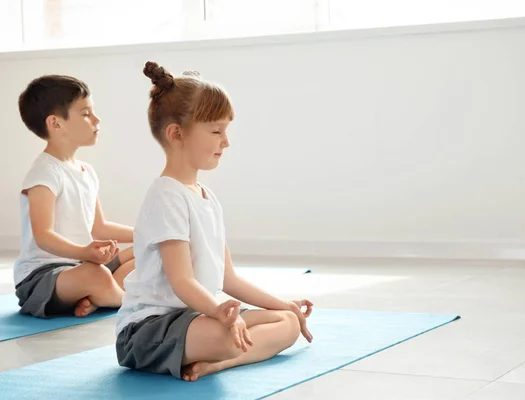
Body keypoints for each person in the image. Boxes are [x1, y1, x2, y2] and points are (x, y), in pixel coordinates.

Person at [115, 61, 313, 382]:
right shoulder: (166, 195)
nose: (226, 141)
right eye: (216, 131)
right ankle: (222, 353)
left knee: (286, 323)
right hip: (148, 329)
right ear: (177, 134)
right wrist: (218, 313)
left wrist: (283, 304)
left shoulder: (206, 196)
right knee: (228, 338)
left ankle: (218, 363)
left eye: (226, 130)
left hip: (197, 316)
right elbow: (183, 282)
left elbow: (228, 278)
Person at [14, 74, 135, 319]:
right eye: (86, 114)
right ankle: (129, 300)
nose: (96, 119)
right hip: (43, 277)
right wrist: (85, 253)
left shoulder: (86, 172)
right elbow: (43, 236)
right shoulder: (44, 174)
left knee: (148, 250)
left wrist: (147, 233)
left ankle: (98, 297)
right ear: (56, 124)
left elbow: (98, 227)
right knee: (95, 275)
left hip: (80, 266)